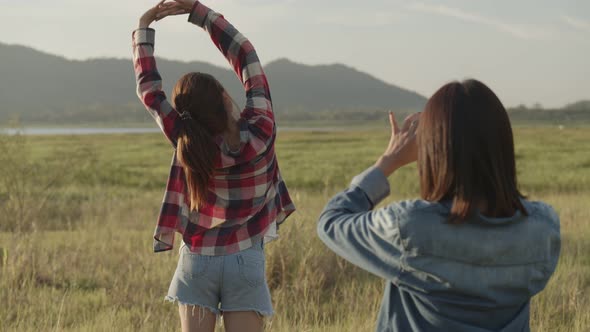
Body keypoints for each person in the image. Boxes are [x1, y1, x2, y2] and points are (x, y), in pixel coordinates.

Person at [317, 79, 560, 331]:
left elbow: (332, 222)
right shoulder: (544, 228)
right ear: (503, 143)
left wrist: (387, 162)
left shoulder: (411, 227)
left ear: (434, 149)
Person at [133, 1, 295, 331]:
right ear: (223, 97)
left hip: (197, 261)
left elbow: (149, 90)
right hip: (246, 258)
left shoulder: (185, 139)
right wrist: (199, 12)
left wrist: (143, 28)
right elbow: (246, 55)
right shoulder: (261, 131)